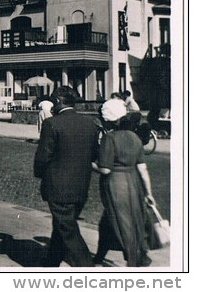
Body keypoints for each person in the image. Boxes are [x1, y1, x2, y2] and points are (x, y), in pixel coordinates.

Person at [34, 86, 100, 267]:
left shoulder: (52, 124)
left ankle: (86, 267)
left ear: (58, 102)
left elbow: (43, 157)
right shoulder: (89, 123)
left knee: (67, 228)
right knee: (63, 223)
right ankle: (52, 260)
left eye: (53, 102)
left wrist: (41, 175)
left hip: (58, 186)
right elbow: (94, 154)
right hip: (81, 185)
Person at [92, 112, 156, 267]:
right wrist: (149, 193)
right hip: (133, 182)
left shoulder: (110, 138)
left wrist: (89, 165)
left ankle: (134, 259)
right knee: (114, 222)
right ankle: (101, 257)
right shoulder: (136, 139)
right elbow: (142, 169)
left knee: (121, 222)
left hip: (115, 183)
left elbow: (105, 169)